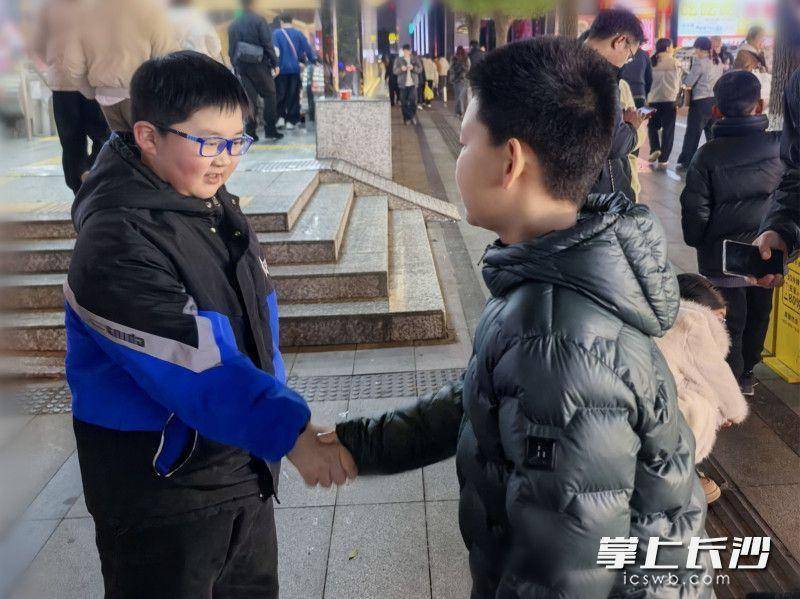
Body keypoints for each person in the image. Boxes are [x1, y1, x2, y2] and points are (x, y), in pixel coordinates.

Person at [327, 37, 713, 598]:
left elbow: (564, 578)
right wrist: (358, 444)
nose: (457, 159)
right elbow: (484, 397)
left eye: (465, 143)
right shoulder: (556, 273)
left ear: (510, 162)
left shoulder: (558, 341)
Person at [65, 51, 357, 597]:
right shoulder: (115, 241)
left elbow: (258, 332)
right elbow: (195, 365)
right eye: (208, 142)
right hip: (162, 499)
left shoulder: (215, 211)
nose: (225, 159)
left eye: (237, 141)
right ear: (148, 137)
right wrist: (290, 432)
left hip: (241, 472)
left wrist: (269, 432)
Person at [680, 70, 784, 394]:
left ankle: (730, 384)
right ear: (760, 105)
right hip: (766, 253)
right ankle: (748, 373)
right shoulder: (780, 146)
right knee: (759, 315)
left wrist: (700, 240)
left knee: (730, 325)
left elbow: (694, 216)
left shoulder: (706, 155)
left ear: (715, 110)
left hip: (722, 260)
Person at [655, 274, 749, 504]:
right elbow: (720, 382)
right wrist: (727, 413)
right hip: (663, 431)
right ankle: (682, 477)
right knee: (705, 404)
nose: (722, 327)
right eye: (719, 319)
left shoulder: (657, 318)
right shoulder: (693, 321)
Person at [30, 0, 109, 195]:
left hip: (63, 82)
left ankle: (80, 184)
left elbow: (38, 45)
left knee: (71, 140)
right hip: (92, 80)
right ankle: (92, 177)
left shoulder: (48, 7)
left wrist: (55, 61)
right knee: (104, 136)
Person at [63, 0, 177, 132]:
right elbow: (170, 60)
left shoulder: (84, 13)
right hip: (144, 96)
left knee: (121, 143)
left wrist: (91, 92)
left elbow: (72, 64)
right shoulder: (150, 8)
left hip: (105, 97)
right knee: (150, 143)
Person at [583, 8, 648, 200]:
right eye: (630, 54)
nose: (627, 61)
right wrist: (631, 125)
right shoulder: (602, 76)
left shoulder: (562, 62)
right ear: (619, 41)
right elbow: (614, 144)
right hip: (597, 193)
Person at [227, 0, 282, 142]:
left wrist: (235, 64)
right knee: (270, 94)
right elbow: (267, 43)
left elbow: (231, 49)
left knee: (250, 99)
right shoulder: (259, 20)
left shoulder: (233, 24)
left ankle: (251, 132)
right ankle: (270, 130)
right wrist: (275, 62)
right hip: (259, 64)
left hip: (242, 66)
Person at [676, 36, 724, 170]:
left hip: (700, 102)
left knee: (693, 133)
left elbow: (689, 82)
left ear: (700, 48)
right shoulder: (718, 61)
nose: (695, 51)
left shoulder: (700, 62)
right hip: (715, 101)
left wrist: (683, 74)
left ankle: (687, 161)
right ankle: (715, 161)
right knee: (712, 134)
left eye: (696, 48)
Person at [273, 13, 317, 130]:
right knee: (293, 94)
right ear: (291, 21)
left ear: (281, 21)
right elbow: (307, 48)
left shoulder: (276, 34)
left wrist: (275, 65)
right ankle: (291, 121)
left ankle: (280, 118)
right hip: (294, 69)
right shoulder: (298, 33)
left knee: (280, 94)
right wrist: (313, 60)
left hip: (281, 70)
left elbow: (275, 51)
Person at [647, 37, 681, 168]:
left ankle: (655, 148)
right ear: (667, 48)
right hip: (670, 100)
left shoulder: (652, 61)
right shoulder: (675, 63)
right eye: (671, 47)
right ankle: (663, 159)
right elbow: (679, 81)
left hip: (654, 99)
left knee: (652, 126)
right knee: (668, 130)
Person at [394, 44, 422, 125]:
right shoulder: (399, 60)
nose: (406, 53)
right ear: (403, 51)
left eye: (407, 51)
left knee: (413, 102)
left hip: (413, 84)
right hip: (403, 85)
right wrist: (401, 69)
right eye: (404, 51)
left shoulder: (415, 59)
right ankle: (407, 118)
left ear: (410, 51)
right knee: (403, 102)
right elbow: (395, 71)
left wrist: (413, 68)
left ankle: (412, 116)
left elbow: (420, 69)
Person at [450, 46, 470, 117]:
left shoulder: (456, 58)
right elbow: (468, 68)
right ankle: (459, 112)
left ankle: (459, 112)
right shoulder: (464, 58)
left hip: (460, 80)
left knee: (459, 96)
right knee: (459, 96)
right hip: (461, 80)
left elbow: (451, 69)